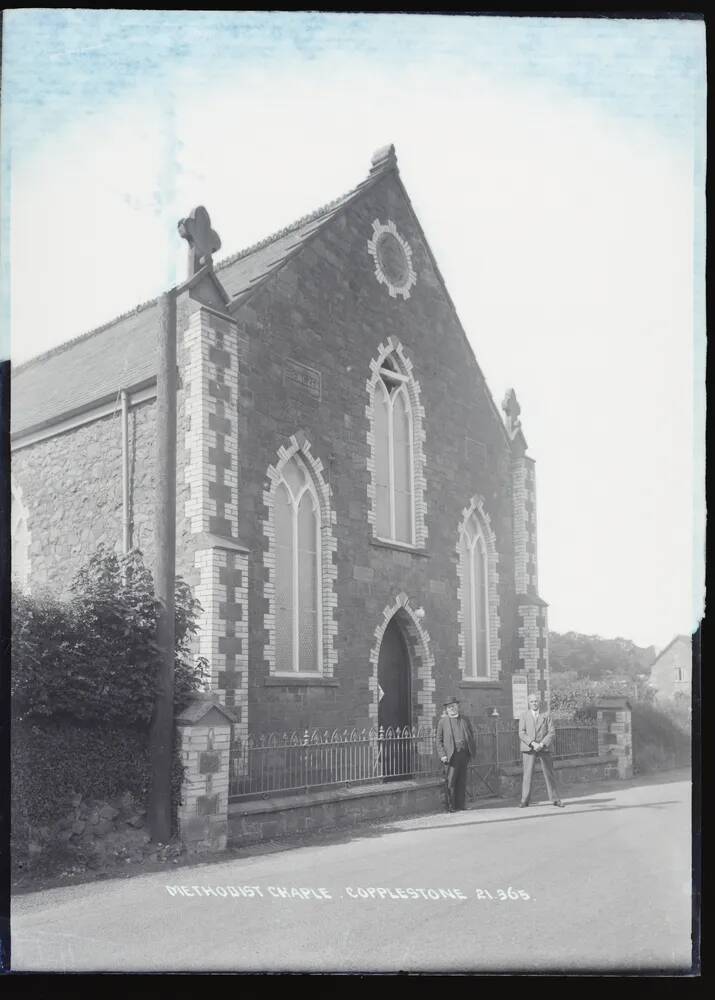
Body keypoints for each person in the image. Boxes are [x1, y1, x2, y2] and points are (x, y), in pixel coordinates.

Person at [519, 692, 564, 808]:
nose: (534, 703)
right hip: (529, 748)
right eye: (532, 701)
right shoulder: (524, 715)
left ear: (539, 702)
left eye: (536, 701)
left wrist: (542, 744)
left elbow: (552, 732)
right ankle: (525, 800)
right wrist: (532, 743)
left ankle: (555, 799)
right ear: (529, 703)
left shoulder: (546, 715)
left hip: (544, 748)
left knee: (549, 774)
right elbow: (521, 733)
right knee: (527, 775)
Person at [436, 696, 476, 812]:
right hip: (451, 756)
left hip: (464, 754)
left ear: (457, 706)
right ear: (446, 710)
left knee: (462, 780)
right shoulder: (443, 722)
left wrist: (470, 751)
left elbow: (471, 735)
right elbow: (438, 740)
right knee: (451, 781)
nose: (452, 708)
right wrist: (442, 755)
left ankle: (461, 805)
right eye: (449, 707)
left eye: (453, 706)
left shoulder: (465, 719)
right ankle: (451, 806)